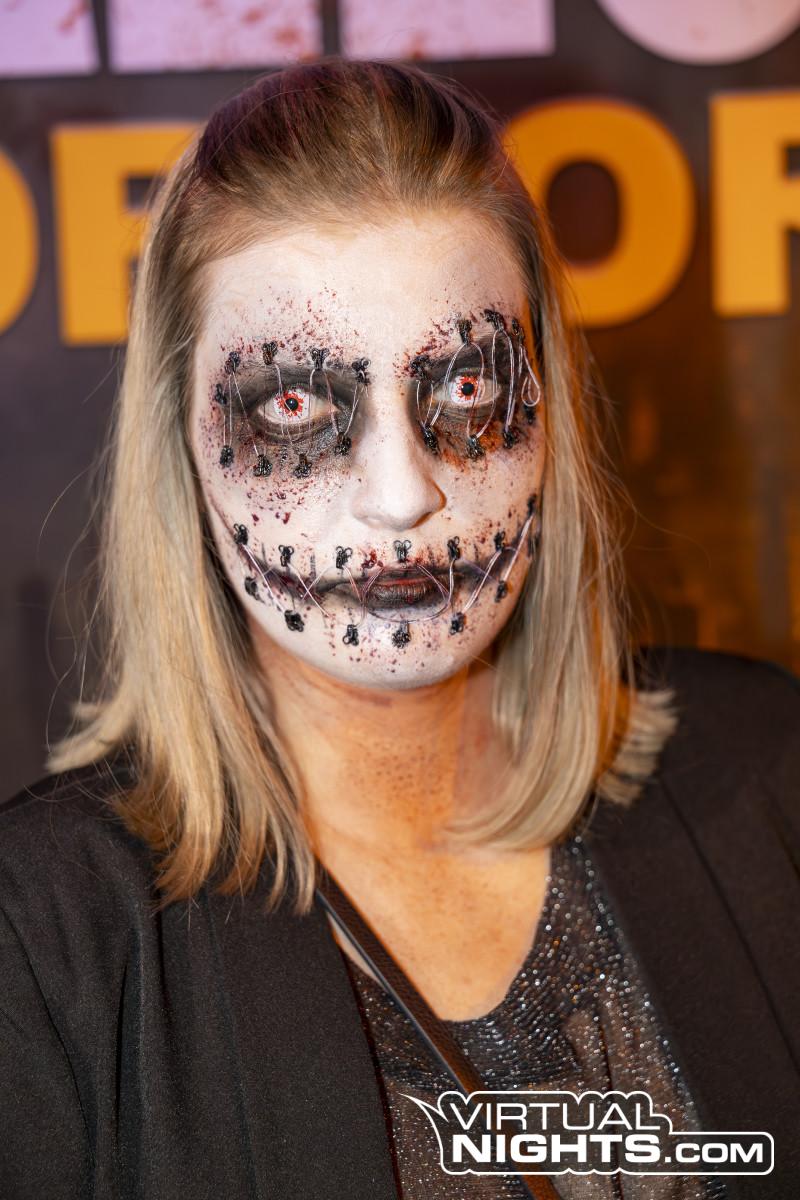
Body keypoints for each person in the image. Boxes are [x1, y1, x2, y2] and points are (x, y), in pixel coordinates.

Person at [1, 59, 798, 1200]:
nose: (400, 494)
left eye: (466, 389)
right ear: (181, 440)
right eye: (293, 403)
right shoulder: (42, 942)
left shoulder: (767, 768)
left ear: (547, 402)